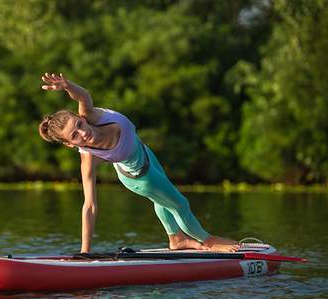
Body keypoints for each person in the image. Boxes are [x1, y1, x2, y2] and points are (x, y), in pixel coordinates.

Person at [38, 73, 239, 253]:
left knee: (162, 201)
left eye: (79, 124)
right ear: (70, 144)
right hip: (139, 178)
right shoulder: (88, 156)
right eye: (75, 135)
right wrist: (85, 252)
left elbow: (83, 96)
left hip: (146, 154)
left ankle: (176, 240)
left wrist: (67, 86)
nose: (83, 132)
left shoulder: (91, 115)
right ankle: (208, 240)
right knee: (179, 204)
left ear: (80, 117)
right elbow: (89, 205)